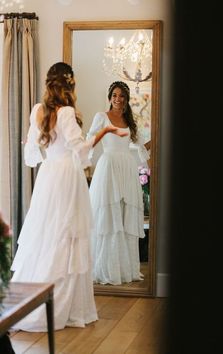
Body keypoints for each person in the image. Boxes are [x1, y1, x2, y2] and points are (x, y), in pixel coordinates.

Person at [10, 63, 127, 332]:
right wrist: (106, 131)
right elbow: (82, 152)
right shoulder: (66, 113)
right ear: (70, 85)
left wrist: (37, 146)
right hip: (67, 177)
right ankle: (63, 306)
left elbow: (31, 154)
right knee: (68, 236)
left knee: (45, 235)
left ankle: (27, 303)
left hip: (48, 176)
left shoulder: (37, 111)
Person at [87, 81, 150, 285]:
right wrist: (81, 162)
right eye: (114, 95)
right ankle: (107, 268)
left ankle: (125, 269)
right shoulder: (101, 117)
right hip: (109, 168)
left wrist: (149, 166)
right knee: (108, 217)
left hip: (128, 170)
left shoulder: (130, 121)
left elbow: (141, 147)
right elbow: (90, 141)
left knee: (125, 216)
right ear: (109, 97)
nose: (118, 99)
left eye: (121, 95)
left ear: (126, 99)